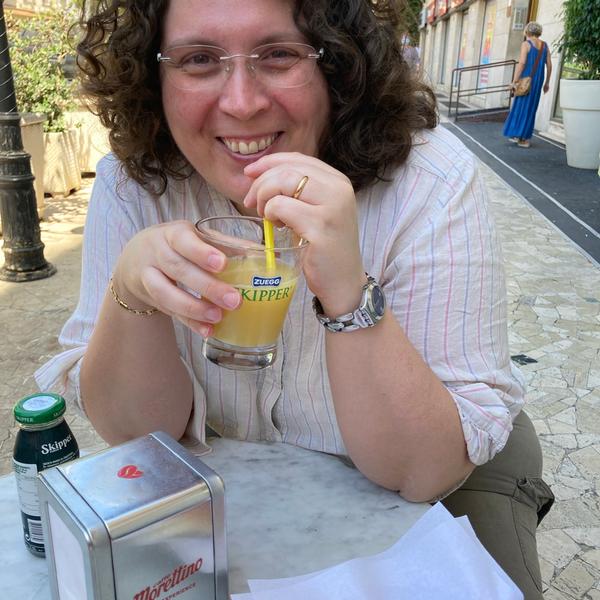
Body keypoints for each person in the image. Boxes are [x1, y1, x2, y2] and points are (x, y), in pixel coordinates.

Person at [36, 1, 553, 597]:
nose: (242, 103)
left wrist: (347, 293)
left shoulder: (430, 179)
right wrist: (134, 296)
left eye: (278, 54)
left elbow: (423, 472)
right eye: (199, 59)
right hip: (236, 476)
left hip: (450, 467)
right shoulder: (134, 185)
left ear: (337, 63)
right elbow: (139, 434)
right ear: (153, 76)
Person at [503, 21, 553, 148]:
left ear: (527, 32)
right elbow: (549, 65)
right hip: (537, 80)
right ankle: (520, 136)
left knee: (521, 105)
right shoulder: (545, 46)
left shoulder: (526, 44)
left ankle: (522, 138)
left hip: (526, 79)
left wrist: (514, 81)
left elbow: (522, 63)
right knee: (530, 108)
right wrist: (547, 82)